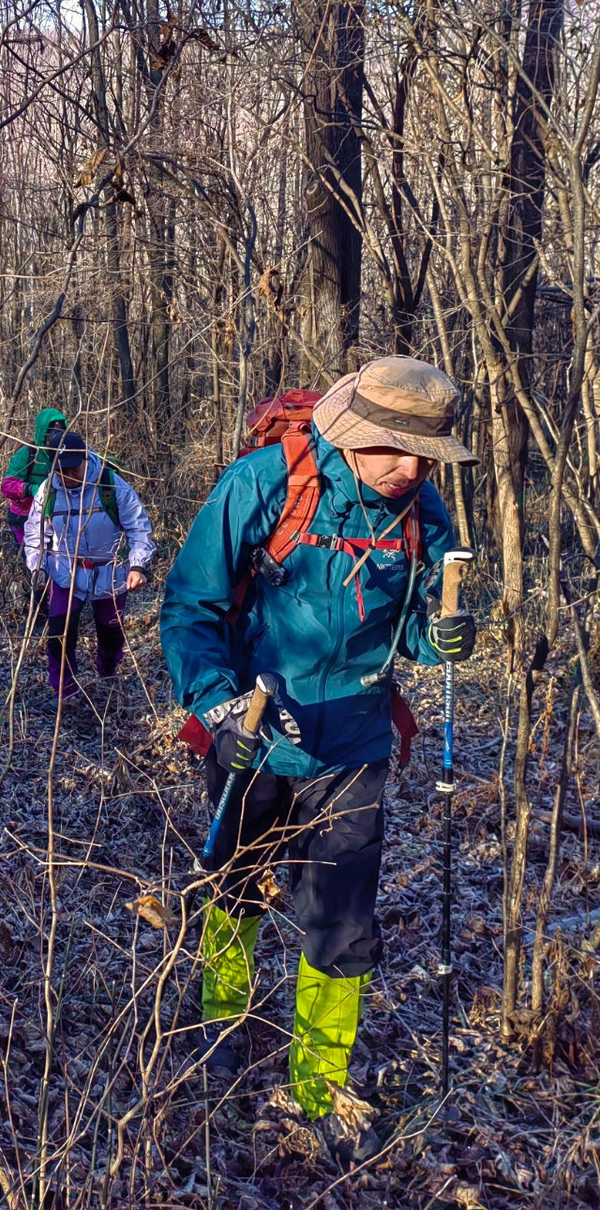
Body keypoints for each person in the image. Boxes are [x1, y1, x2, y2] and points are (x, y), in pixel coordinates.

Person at [160, 357, 476, 1162]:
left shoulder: (421, 510)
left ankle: (318, 1081)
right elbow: (190, 606)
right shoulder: (264, 484)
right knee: (233, 883)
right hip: (255, 731)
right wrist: (217, 708)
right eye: (396, 450)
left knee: (342, 922)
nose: (412, 470)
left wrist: (438, 638)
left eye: (426, 456)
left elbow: (411, 628)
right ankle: (220, 1029)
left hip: (356, 740)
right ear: (353, 433)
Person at [25, 431, 156, 714]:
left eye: (74, 468)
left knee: (111, 633)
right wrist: (37, 567)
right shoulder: (48, 492)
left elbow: (139, 527)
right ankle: (65, 693)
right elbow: (36, 534)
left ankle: (107, 676)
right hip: (65, 572)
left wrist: (137, 565)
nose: (68, 475)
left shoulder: (111, 484)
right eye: (62, 470)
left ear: (86, 459)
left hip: (109, 573)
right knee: (59, 635)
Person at [1, 408, 67, 548]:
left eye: (60, 433)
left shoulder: (66, 453)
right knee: (31, 555)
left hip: (54, 515)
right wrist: (32, 489)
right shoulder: (27, 453)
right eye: (51, 433)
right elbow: (7, 486)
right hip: (23, 516)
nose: (55, 438)